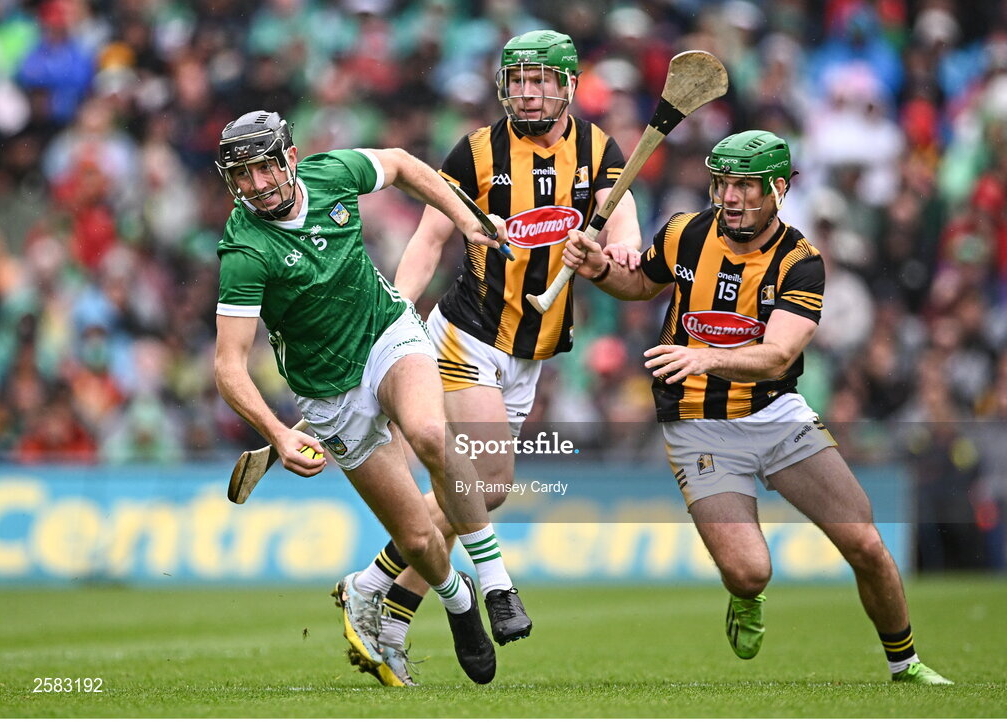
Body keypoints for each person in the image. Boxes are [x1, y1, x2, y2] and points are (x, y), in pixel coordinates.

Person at [561, 129, 953, 685]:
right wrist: (599, 268)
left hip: (776, 416)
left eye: (746, 186)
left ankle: (905, 664)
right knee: (750, 573)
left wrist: (705, 358)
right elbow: (642, 284)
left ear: (777, 188)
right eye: (722, 184)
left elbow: (777, 355)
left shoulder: (802, 261)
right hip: (698, 426)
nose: (731, 198)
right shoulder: (684, 232)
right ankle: (744, 598)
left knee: (865, 541)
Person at [337, 29, 643, 686]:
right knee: (488, 482)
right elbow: (427, 241)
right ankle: (394, 587)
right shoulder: (476, 152)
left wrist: (615, 257)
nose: (526, 92)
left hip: (530, 355)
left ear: (566, 86)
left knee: (469, 493)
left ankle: (387, 604)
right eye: (518, 80)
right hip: (466, 336)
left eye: (541, 81)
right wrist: (396, 314)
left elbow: (624, 228)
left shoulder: (597, 151)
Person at [212, 109, 526, 685]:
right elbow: (228, 366)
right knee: (417, 538)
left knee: (432, 435)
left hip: (387, 333)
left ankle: (498, 585)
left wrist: (467, 219)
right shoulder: (245, 252)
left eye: (266, 168)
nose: (258, 185)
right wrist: (279, 435)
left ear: (291, 158)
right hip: (328, 393)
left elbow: (405, 166)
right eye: (243, 176)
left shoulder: (332, 174)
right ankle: (460, 608)